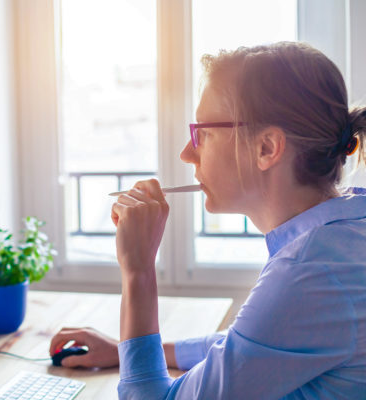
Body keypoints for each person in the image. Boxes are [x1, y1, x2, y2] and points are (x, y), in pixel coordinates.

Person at [49, 42, 366, 399]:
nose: (187, 153)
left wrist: (137, 270)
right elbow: (251, 346)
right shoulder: (346, 233)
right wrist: (128, 352)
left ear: (266, 148)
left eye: (203, 133)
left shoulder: (309, 272)